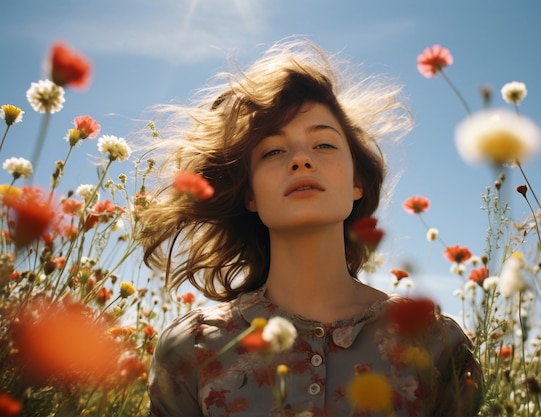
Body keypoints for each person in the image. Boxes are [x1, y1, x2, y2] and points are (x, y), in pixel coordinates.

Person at [139, 39, 482, 417]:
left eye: (323, 145)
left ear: (357, 183)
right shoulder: (192, 350)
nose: (301, 159)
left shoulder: (436, 344)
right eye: (273, 151)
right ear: (250, 194)